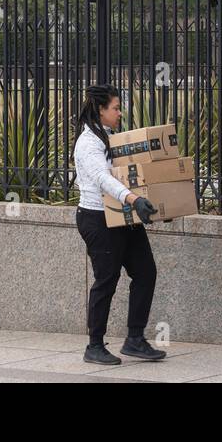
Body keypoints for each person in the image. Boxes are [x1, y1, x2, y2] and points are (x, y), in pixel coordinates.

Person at [73, 84, 167, 365]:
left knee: (146, 272)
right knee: (106, 280)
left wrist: (157, 204)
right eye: (115, 107)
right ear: (100, 110)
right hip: (98, 219)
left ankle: (134, 339)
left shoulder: (111, 137)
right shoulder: (88, 143)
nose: (120, 112)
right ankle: (94, 345)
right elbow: (103, 179)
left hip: (123, 215)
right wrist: (133, 199)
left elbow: (133, 171)